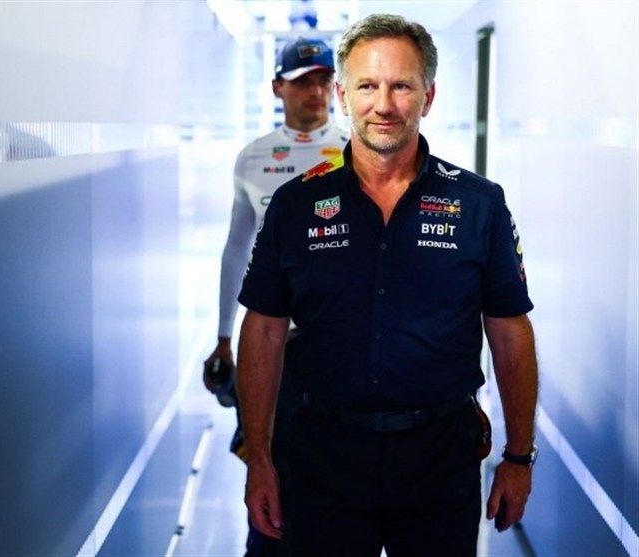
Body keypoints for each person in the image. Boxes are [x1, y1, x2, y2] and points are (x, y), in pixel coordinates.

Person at [235, 13, 539, 557]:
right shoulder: (296, 205)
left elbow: (510, 332)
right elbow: (263, 331)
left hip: (439, 462)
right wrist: (259, 456)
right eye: (367, 86)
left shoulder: (478, 204)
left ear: (428, 97)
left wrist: (519, 457)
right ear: (343, 96)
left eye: (402, 86)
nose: (384, 104)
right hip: (322, 458)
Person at [202, 36, 348, 556]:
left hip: (340, 346)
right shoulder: (254, 158)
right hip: (272, 343)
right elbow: (236, 248)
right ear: (277, 87)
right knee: (268, 461)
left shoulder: (355, 152)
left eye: (325, 80)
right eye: (304, 81)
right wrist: (225, 337)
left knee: (338, 468)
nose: (317, 91)